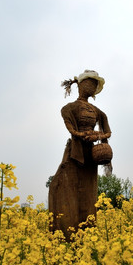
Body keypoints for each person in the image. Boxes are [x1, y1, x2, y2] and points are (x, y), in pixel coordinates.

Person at [48, 70, 112, 240]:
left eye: (95, 84)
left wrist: (97, 135)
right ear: (81, 85)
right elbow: (71, 130)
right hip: (75, 153)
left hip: (91, 156)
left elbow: (108, 132)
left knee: (88, 192)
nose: (92, 87)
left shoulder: (98, 111)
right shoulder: (69, 108)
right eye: (90, 83)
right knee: (63, 185)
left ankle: (87, 234)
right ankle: (65, 234)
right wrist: (81, 134)